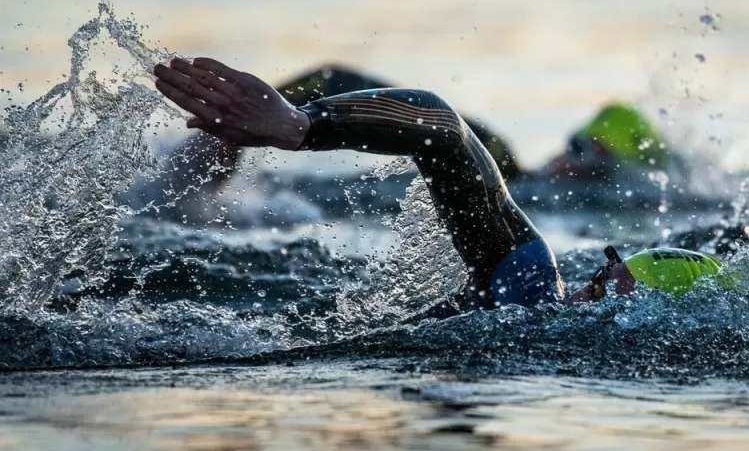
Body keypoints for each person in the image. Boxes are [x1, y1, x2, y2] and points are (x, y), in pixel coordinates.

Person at [152, 57, 718, 316]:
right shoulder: (534, 293)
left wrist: (299, 126)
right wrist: (288, 124)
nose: (584, 286)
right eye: (596, 275)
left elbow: (440, 125)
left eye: (599, 284)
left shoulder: (532, 296)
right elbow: (433, 122)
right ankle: (217, 144)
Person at [160, 63, 671, 196]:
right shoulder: (497, 155)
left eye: (597, 158)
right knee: (336, 80)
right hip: (489, 161)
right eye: (579, 145)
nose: (575, 160)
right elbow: (340, 78)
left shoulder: (584, 205)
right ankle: (212, 145)